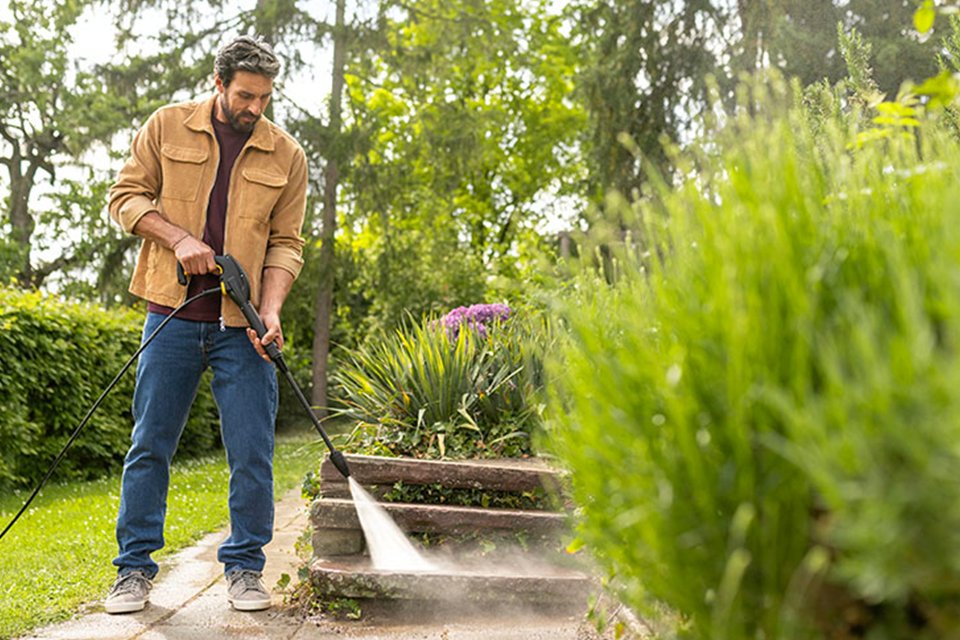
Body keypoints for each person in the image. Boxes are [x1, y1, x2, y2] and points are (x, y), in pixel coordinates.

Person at [103, 35, 308, 614]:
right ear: (218, 84)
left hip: (241, 328)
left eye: (265, 97)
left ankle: (245, 569)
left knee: (251, 452)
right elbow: (124, 198)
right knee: (150, 445)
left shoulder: (286, 155)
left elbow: (287, 243)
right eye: (245, 95)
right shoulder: (167, 126)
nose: (255, 108)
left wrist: (269, 308)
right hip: (168, 316)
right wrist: (180, 238)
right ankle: (133, 571)